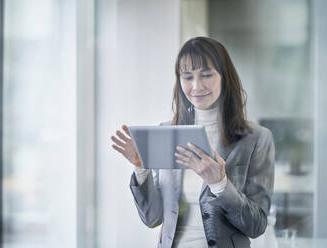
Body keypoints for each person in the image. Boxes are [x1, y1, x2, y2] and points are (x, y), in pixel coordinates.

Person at [110, 36, 275, 248]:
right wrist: (141, 169)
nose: (197, 86)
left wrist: (221, 184)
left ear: (225, 77)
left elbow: (257, 225)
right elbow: (152, 218)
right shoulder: (167, 132)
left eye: (206, 75)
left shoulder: (257, 138)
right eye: (187, 77)